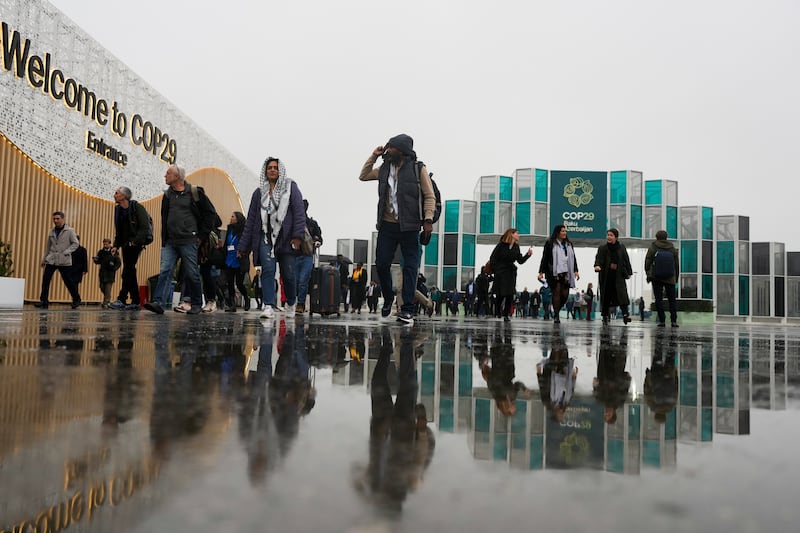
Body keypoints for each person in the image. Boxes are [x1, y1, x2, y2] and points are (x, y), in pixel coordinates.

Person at [359, 134, 436, 325]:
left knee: (410, 268)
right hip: (387, 225)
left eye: (391, 147)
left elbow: (429, 196)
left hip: (410, 226)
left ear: (401, 150)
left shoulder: (418, 169)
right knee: (382, 264)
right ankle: (388, 296)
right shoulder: (384, 168)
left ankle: (407, 310)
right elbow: (363, 175)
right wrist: (374, 155)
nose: (387, 150)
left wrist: (428, 219)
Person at [144, 164, 219, 315]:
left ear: (177, 176)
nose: (165, 176)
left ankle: (196, 303)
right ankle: (158, 302)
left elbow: (211, 214)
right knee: (165, 270)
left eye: (168, 173)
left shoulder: (194, 192)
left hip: (189, 241)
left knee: (192, 273)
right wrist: (164, 238)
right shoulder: (167, 195)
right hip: (170, 242)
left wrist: (201, 236)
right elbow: (164, 218)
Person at [238, 157, 306, 319]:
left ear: (280, 170)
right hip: (265, 237)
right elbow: (251, 220)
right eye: (269, 168)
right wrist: (243, 246)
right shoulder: (258, 193)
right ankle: (268, 305)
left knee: (288, 275)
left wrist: (297, 236)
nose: (273, 170)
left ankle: (290, 302)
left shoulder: (291, 188)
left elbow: (299, 212)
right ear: (265, 171)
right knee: (267, 270)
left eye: (275, 167)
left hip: (286, 238)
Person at [110, 186, 151, 310]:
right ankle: (135, 300)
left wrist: (135, 241)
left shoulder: (137, 207)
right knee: (130, 271)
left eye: (117, 193)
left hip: (135, 244)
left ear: (124, 196)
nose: (114, 195)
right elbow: (119, 231)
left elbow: (144, 227)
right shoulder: (118, 210)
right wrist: (116, 246)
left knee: (127, 270)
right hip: (125, 244)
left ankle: (122, 298)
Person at [34, 211, 81, 309]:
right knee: (46, 279)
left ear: (63, 219)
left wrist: (67, 251)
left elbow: (75, 243)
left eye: (57, 219)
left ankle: (76, 299)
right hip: (52, 259)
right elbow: (48, 246)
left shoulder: (70, 231)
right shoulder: (51, 231)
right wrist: (44, 258)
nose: (55, 221)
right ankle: (44, 301)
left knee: (68, 281)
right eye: (54, 219)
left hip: (63, 260)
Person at [537, 224, 580, 324]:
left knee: (565, 295)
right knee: (556, 292)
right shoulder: (550, 243)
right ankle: (556, 316)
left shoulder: (569, 244)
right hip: (554, 272)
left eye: (565, 231)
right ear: (557, 232)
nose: (564, 233)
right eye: (562, 231)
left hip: (566, 272)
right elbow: (545, 258)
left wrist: (576, 270)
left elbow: (573, 258)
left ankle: (556, 309)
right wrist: (541, 272)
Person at [489, 228, 533, 322]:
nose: (519, 235)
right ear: (511, 234)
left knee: (510, 294)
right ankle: (497, 311)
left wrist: (527, 255)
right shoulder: (501, 245)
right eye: (517, 233)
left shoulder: (516, 247)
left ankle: (506, 315)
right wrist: (496, 270)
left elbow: (520, 260)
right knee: (500, 294)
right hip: (501, 272)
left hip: (511, 272)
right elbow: (493, 258)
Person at [594, 228, 633, 325]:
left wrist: (629, 272)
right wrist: (597, 266)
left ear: (616, 237)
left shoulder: (621, 247)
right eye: (608, 235)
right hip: (606, 276)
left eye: (611, 235)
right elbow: (598, 259)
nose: (609, 237)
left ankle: (625, 315)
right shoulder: (602, 248)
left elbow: (626, 259)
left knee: (622, 296)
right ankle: (605, 316)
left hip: (618, 276)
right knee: (606, 296)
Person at [537, 328, 577, 423]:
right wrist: (574, 377)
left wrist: (539, 374)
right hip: (565, 372)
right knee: (563, 350)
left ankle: (556, 330)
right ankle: (559, 334)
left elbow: (542, 388)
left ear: (554, 414)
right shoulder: (566, 402)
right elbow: (571, 389)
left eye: (559, 416)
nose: (561, 414)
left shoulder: (548, 402)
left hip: (552, 372)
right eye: (562, 416)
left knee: (556, 351)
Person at [592, 328, 631, 424]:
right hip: (616, 372)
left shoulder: (600, 400)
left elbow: (596, 389)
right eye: (608, 415)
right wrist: (627, 379)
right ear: (614, 414)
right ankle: (624, 330)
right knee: (621, 350)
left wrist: (595, 384)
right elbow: (625, 388)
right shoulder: (619, 402)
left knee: (605, 349)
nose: (606, 413)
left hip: (604, 372)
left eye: (605, 415)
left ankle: (605, 327)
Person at [644, 229, 680, 327]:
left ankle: (662, 320)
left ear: (656, 237)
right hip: (670, 277)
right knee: (672, 300)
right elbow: (676, 264)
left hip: (657, 277)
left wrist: (648, 274)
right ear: (666, 237)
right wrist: (676, 278)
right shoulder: (672, 248)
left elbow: (648, 261)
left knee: (658, 299)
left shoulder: (653, 247)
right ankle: (673, 321)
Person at [295, 199, 323, 314]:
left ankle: (300, 304)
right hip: (295, 255)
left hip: (307, 255)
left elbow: (319, 238)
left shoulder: (312, 224)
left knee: (303, 280)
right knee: (295, 281)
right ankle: (295, 302)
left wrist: (317, 241)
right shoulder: (293, 223)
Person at [223, 212, 250, 312]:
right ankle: (232, 304)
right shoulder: (230, 229)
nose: (231, 218)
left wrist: (243, 253)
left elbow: (247, 245)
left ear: (238, 219)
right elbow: (227, 243)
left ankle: (246, 298)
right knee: (229, 283)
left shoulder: (244, 231)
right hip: (229, 259)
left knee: (239, 283)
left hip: (239, 260)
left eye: (233, 216)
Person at [93, 238, 121, 308]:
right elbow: (98, 261)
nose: (105, 245)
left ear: (109, 244)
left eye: (106, 244)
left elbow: (118, 262)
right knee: (102, 287)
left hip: (110, 274)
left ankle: (106, 302)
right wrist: (95, 260)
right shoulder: (101, 252)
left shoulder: (114, 251)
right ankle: (107, 298)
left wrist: (114, 269)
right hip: (102, 273)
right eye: (104, 244)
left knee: (108, 288)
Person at [70, 235, 88, 303]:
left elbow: (85, 260)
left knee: (75, 285)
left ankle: (76, 300)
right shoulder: (70, 249)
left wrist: (85, 270)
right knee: (72, 285)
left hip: (78, 270)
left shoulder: (83, 250)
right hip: (71, 269)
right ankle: (77, 298)